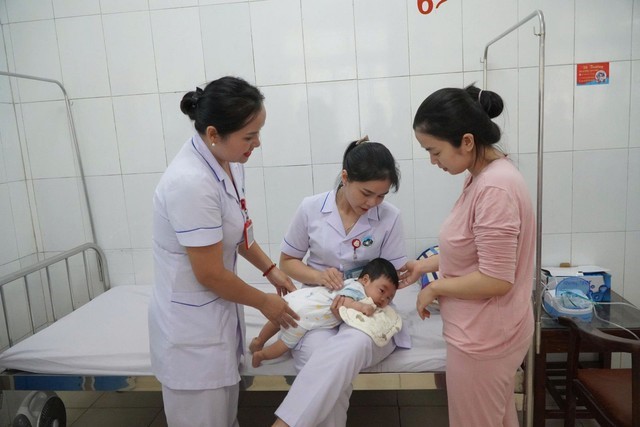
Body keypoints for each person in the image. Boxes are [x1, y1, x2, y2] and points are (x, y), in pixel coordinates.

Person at [148, 76, 300, 427]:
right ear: (214, 133)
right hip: (191, 336)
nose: (257, 143)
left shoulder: (229, 162)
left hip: (216, 320)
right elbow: (210, 273)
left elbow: (237, 230)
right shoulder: (190, 183)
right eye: (249, 136)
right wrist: (265, 303)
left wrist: (271, 270)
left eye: (258, 133)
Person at [401, 85, 535, 427]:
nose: (433, 161)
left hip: (485, 338)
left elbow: (496, 279)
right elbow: (472, 249)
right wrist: (424, 267)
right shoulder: (482, 176)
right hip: (488, 331)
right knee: (496, 417)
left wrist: (436, 288)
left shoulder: (494, 189)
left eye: (434, 151)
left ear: (467, 141)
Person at [272, 138, 409, 427]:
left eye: (381, 196)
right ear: (345, 177)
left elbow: (393, 278)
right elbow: (288, 262)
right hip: (320, 308)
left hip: (370, 311)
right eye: (366, 193)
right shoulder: (311, 208)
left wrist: (360, 300)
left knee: (348, 348)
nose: (372, 204)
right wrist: (318, 276)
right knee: (321, 361)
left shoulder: (390, 217)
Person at [250, 257, 399, 368]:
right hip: (305, 316)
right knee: (285, 344)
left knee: (277, 320)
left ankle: (259, 341)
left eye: (389, 297)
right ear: (365, 280)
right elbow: (344, 301)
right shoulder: (358, 291)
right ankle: (261, 355)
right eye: (382, 291)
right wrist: (362, 307)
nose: (383, 299)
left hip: (300, 299)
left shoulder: (351, 281)